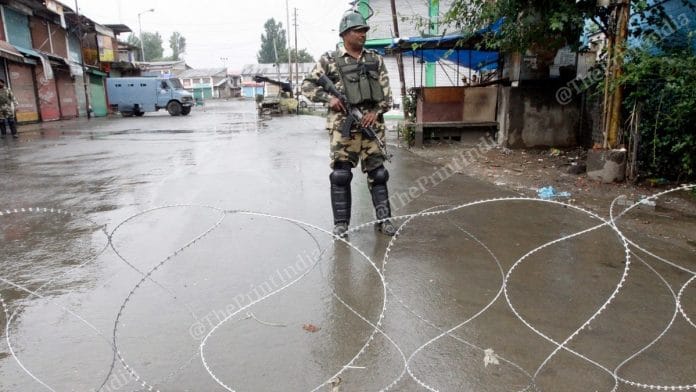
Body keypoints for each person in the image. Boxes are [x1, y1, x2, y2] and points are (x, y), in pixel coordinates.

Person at [302, 9, 397, 237]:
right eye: (358, 31)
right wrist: (329, 98)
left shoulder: (375, 59)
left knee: (379, 174)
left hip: (372, 128)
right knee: (341, 175)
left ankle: (384, 220)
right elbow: (306, 86)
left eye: (364, 30)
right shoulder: (329, 60)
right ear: (345, 34)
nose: (363, 34)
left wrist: (376, 111)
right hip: (343, 130)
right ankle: (341, 224)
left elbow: (387, 96)